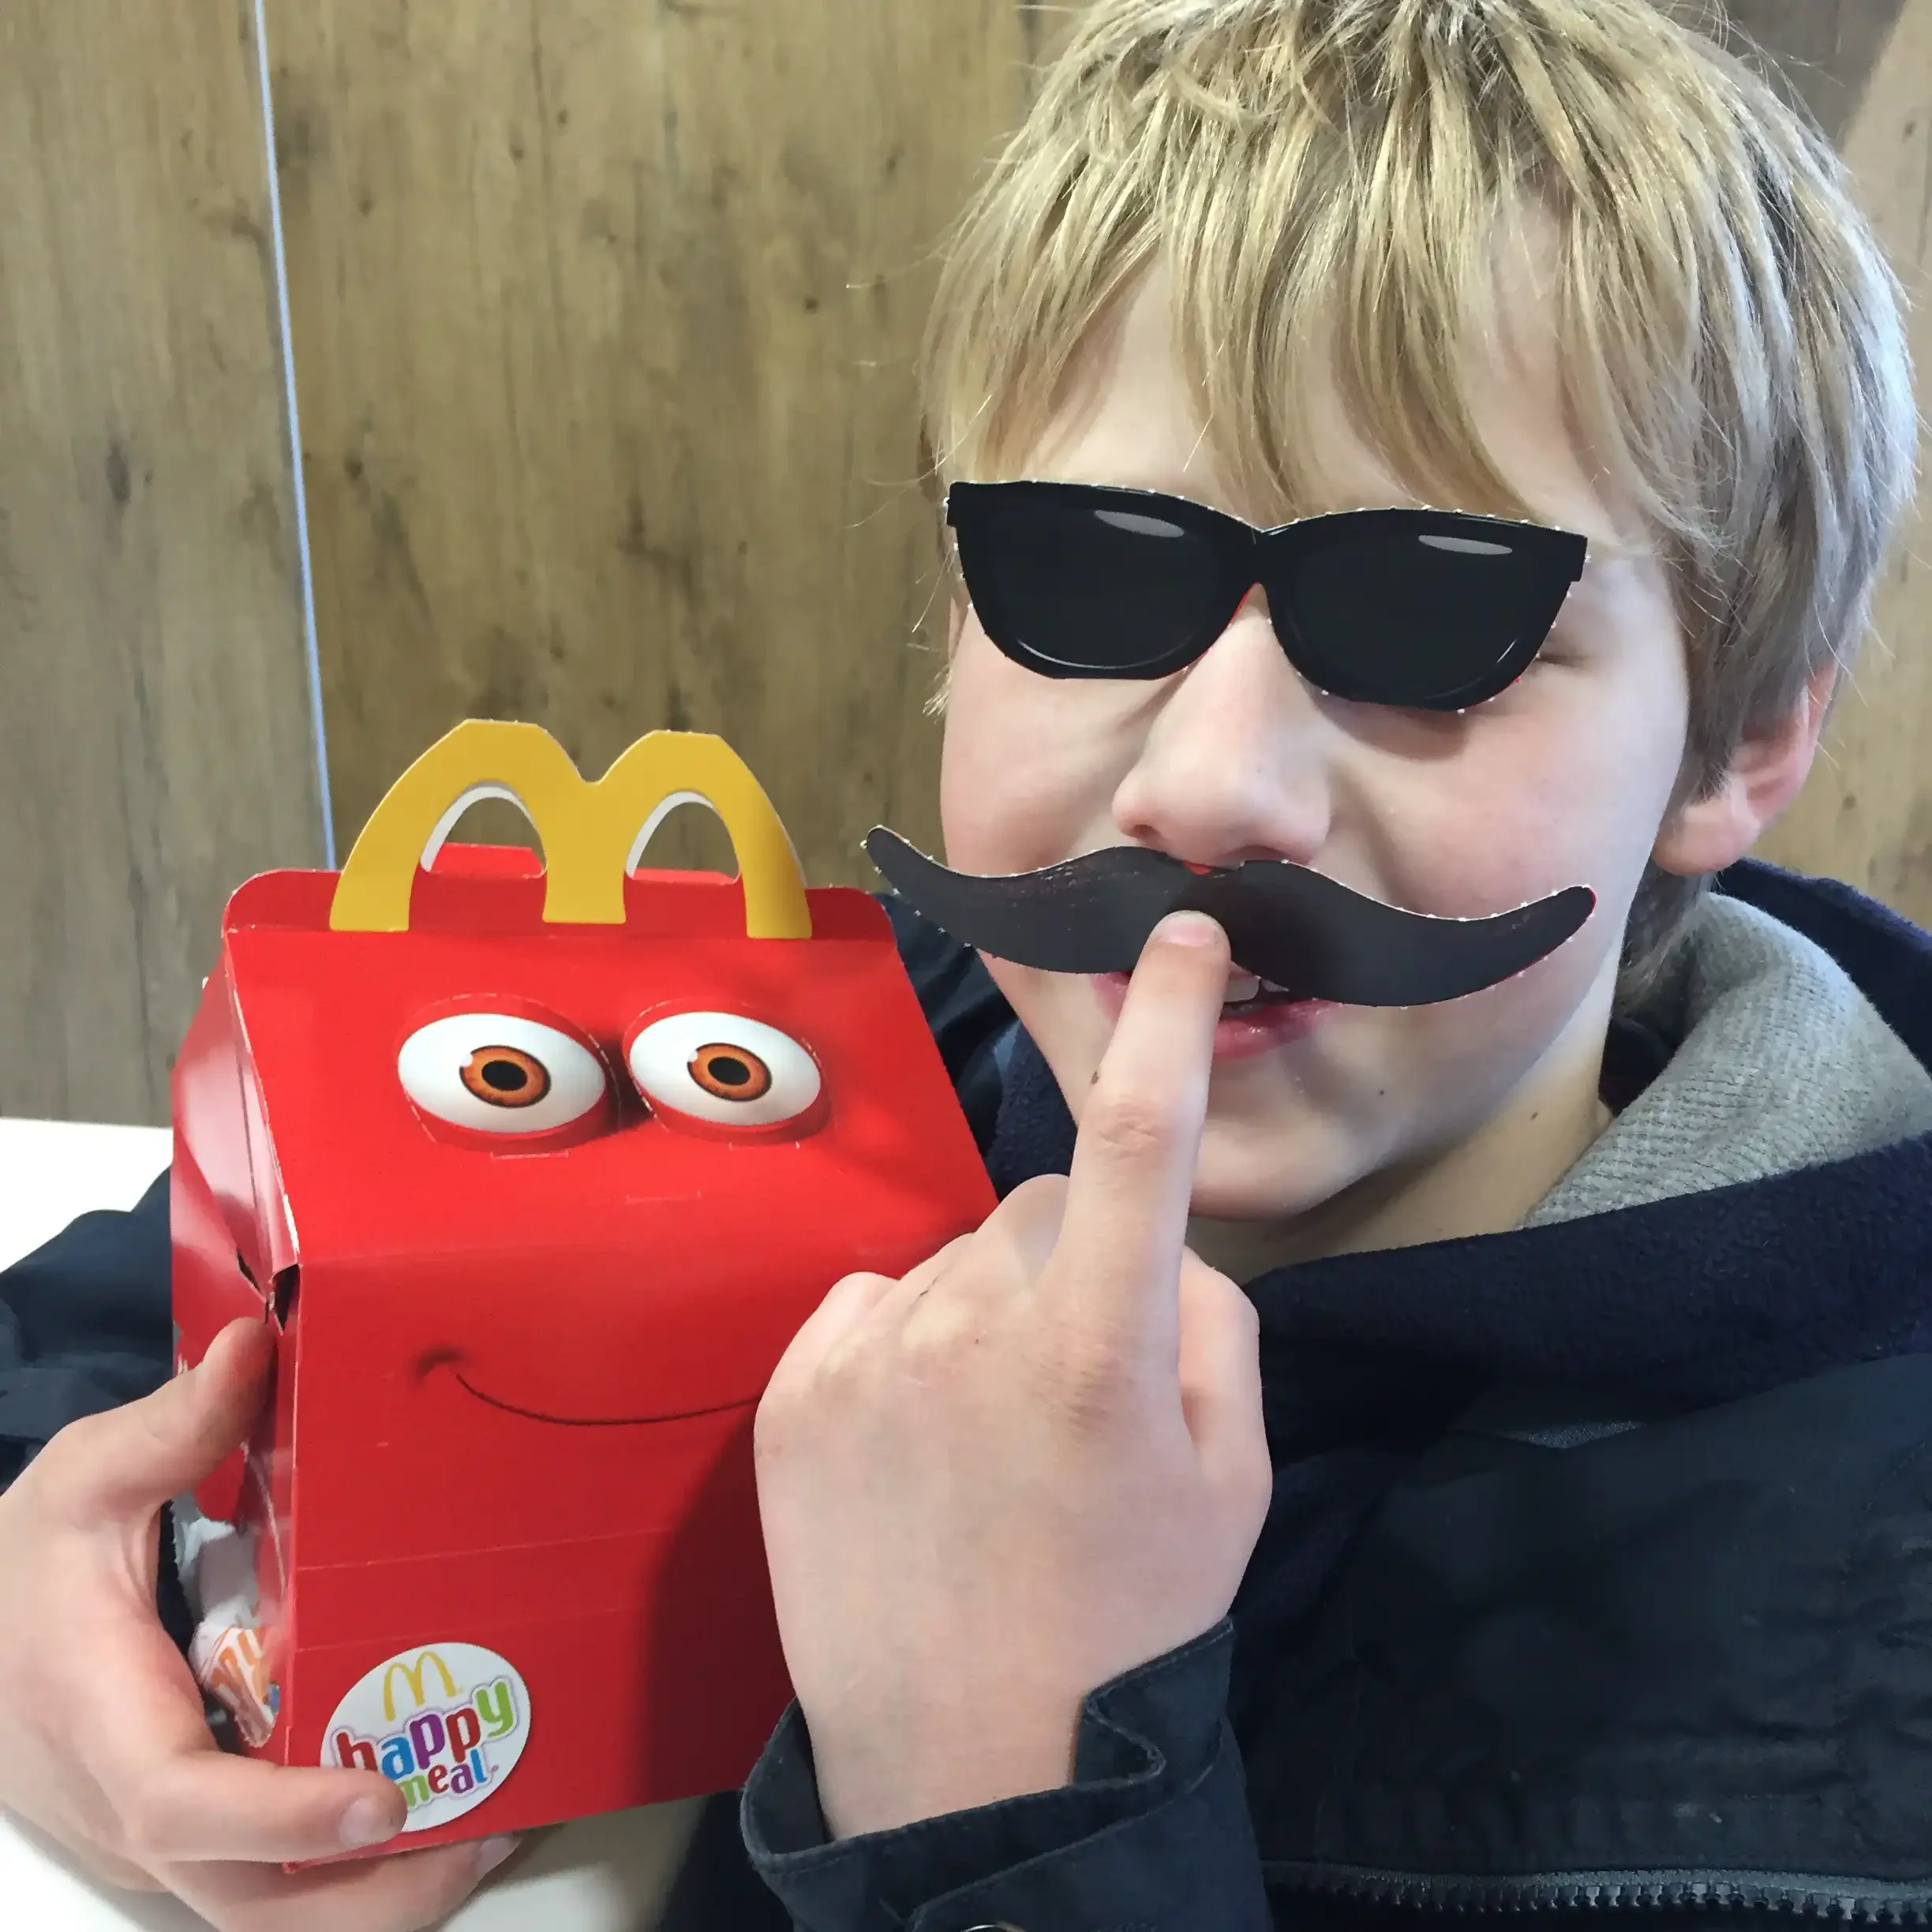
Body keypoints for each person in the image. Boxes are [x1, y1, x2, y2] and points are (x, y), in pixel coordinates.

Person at [5, 0, 1931, 1927]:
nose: (1207, 784)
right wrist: (48, 1611)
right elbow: (136, 1320)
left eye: (1437, 616)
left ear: (1739, 739)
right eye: (1093, 577)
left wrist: (1010, 1811)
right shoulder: (839, 1038)